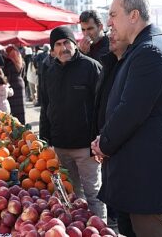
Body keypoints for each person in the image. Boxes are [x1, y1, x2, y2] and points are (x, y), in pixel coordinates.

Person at [91, 0, 162, 236]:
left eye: (113, 15)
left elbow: (131, 110)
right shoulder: (141, 48)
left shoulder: (151, 51)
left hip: (145, 172)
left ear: (133, 15)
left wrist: (103, 143)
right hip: (134, 168)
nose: (109, 22)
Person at [40, 26, 105, 220]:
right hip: (60, 146)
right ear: (52, 50)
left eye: (66, 42)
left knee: (94, 196)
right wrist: (45, 138)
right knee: (71, 196)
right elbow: (46, 106)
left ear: (74, 44)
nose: (63, 48)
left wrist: (100, 140)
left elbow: (103, 107)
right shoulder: (49, 72)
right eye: (58, 45)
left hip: (87, 147)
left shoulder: (91, 67)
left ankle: (99, 230)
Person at [92, 33, 131, 232]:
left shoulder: (131, 64)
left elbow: (127, 112)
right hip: (106, 139)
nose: (111, 37)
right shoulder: (107, 62)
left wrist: (104, 142)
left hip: (118, 142)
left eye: (115, 34)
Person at [3, 46, 26, 124]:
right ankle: (22, 127)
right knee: (21, 109)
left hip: (13, 85)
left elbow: (7, 77)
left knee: (14, 111)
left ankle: (16, 128)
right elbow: (23, 74)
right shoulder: (21, 61)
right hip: (20, 84)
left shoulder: (9, 63)